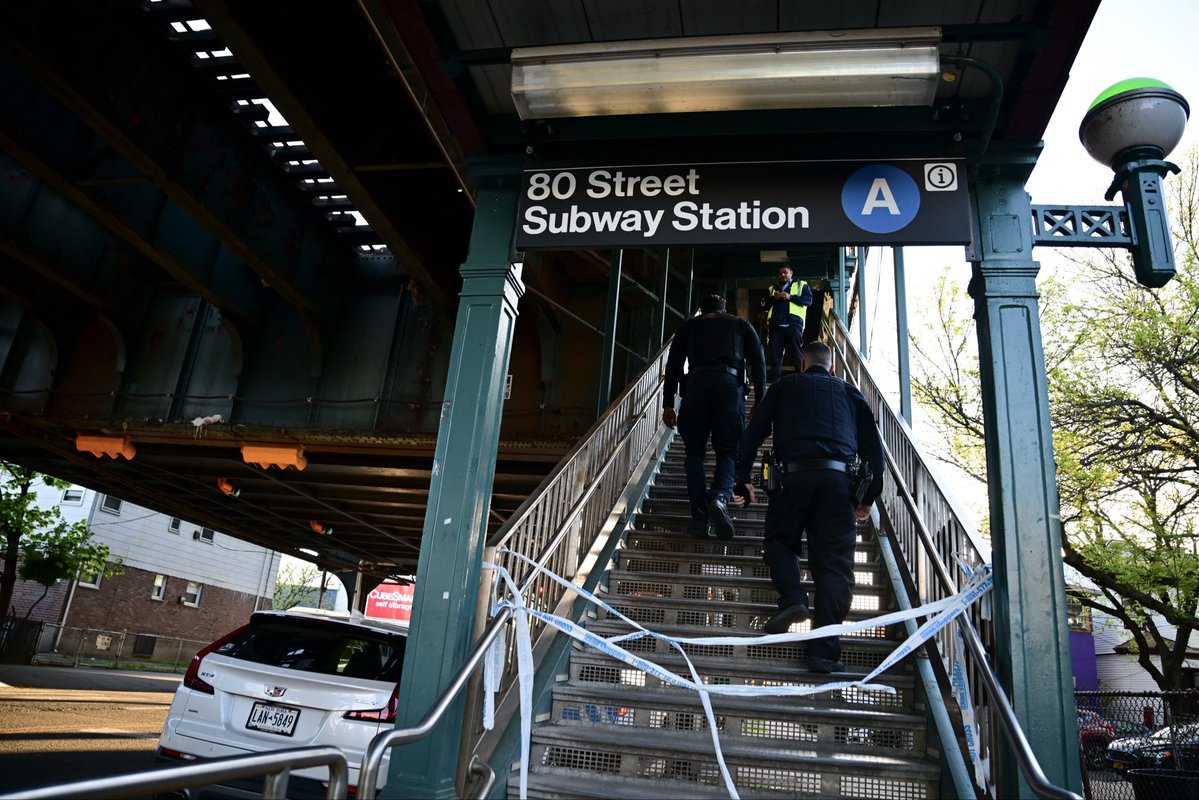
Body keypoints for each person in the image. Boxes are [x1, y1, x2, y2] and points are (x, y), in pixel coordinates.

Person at [731, 341, 882, 673]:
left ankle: (794, 599)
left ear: (801, 366)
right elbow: (873, 447)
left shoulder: (783, 387)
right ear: (832, 368)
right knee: (834, 567)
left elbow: (752, 434)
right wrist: (868, 496)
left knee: (780, 542)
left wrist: (741, 479)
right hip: (838, 484)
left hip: (791, 478)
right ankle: (824, 653)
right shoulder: (848, 392)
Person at [662, 294, 766, 540]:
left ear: (704, 310)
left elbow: (673, 365)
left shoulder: (689, 326)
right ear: (724, 309)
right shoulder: (740, 325)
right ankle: (719, 499)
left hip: (696, 386)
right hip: (730, 388)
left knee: (695, 453)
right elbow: (759, 360)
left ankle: (699, 515)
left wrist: (668, 404)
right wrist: (760, 398)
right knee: (729, 450)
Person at [761, 264, 812, 383]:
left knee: (797, 353)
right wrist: (774, 298)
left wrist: (791, 297)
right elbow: (765, 305)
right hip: (776, 325)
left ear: (791, 273)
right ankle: (774, 382)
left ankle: (800, 380)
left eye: (785, 272)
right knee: (775, 355)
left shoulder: (801, 285)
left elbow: (808, 301)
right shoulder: (773, 288)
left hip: (793, 324)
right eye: (780, 273)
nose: (783, 275)